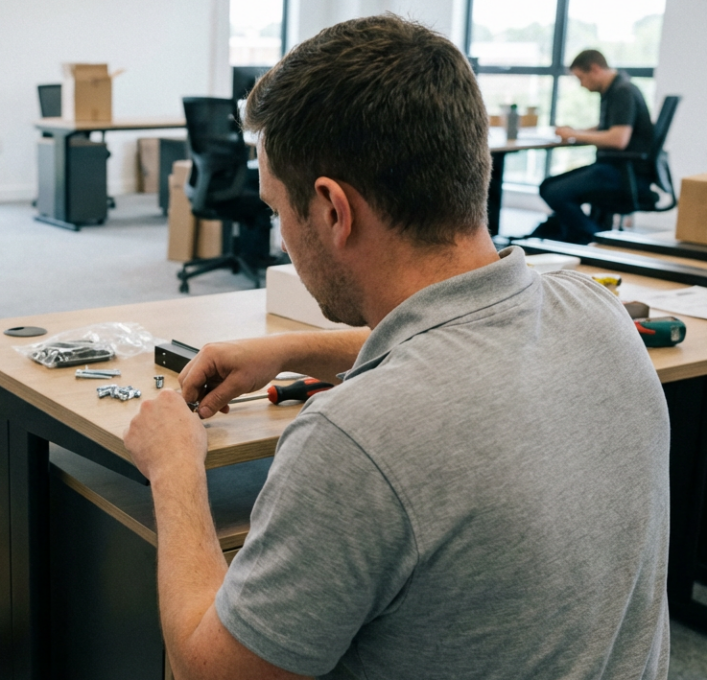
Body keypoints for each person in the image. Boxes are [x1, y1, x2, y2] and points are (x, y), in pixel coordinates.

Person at [122, 15, 669, 680]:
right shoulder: (599, 314)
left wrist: (174, 469)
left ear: (332, 210)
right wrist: (296, 349)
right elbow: (464, 340)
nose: (280, 233)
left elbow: (209, 673)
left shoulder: (354, 441)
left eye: (276, 211)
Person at [530, 49, 655, 243]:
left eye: (581, 78)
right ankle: (571, 234)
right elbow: (609, 127)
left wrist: (574, 134)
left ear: (595, 69)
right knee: (548, 185)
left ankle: (592, 238)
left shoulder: (623, 91)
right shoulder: (615, 89)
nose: (582, 85)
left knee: (553, 192)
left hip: (624, 174)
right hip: (618, 170)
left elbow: (618, 139)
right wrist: (577, 132)